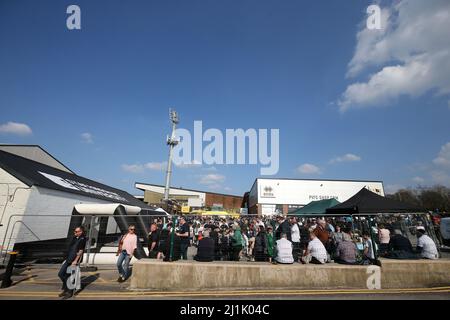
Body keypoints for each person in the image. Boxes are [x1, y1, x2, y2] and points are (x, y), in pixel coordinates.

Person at [58, 226, 86, 298]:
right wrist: (66, 259)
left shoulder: (82, 239)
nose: (74, 232)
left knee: (70, 276)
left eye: (76, 231)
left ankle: (69, 292)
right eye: (74, 231)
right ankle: (66, 288)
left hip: (74, 261)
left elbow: (80, 251)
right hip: (68, 259)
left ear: (81, 232)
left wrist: (75, 261)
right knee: (61, 274)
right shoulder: (74, 238)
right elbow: (70, 249)